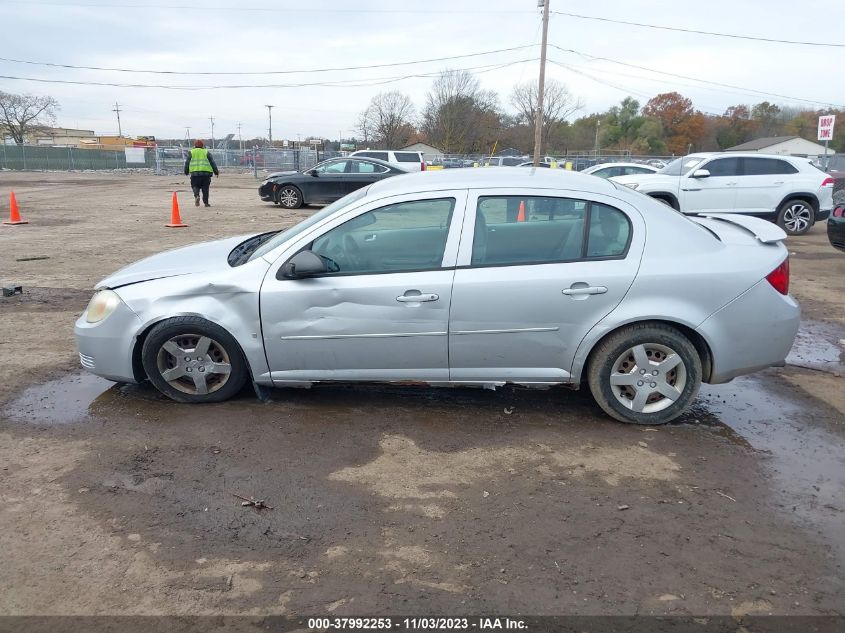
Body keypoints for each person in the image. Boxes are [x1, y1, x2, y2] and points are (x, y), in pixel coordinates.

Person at [184, 140, 219, 207]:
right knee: (205, 188)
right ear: (202, 145)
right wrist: (216, 171)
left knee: (195, 186)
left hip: (195, 174)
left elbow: (187, 163)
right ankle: (206, 203)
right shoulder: (206, 152)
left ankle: (197, 196)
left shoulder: (191, 152)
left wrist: (186, 171)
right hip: (206, 174)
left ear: (195, 145)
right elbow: (212, 162)